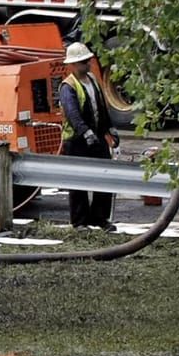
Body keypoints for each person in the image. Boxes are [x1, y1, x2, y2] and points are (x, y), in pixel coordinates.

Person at [57, 43, 118, 230]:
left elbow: (100, 106)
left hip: (96, 136)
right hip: (76, 141)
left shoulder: (92, 79)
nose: (88, 65)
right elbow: (72, 113)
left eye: (88, 61)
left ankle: (99, 218)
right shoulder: (68, 86)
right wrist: (85, 132)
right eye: (84, 62)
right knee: (78, 183)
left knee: (105, 177)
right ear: (73, 65)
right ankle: (80, 221)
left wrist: (109, 129)